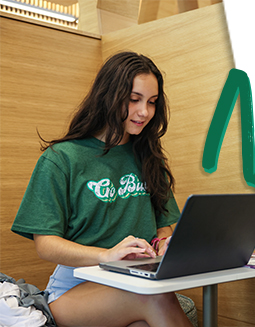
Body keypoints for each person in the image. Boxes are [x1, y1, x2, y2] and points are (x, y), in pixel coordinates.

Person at [11, 51, 193, 327]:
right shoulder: (62, 158)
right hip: (76, 288)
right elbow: (45, 244)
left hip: (135, 278)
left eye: (152, 102)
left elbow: (163, 226)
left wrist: (163, 244)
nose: (144, 112)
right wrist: (104, 255)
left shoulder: (149, 158)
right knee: (153, 296)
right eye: (134, 100)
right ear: (109, 96)